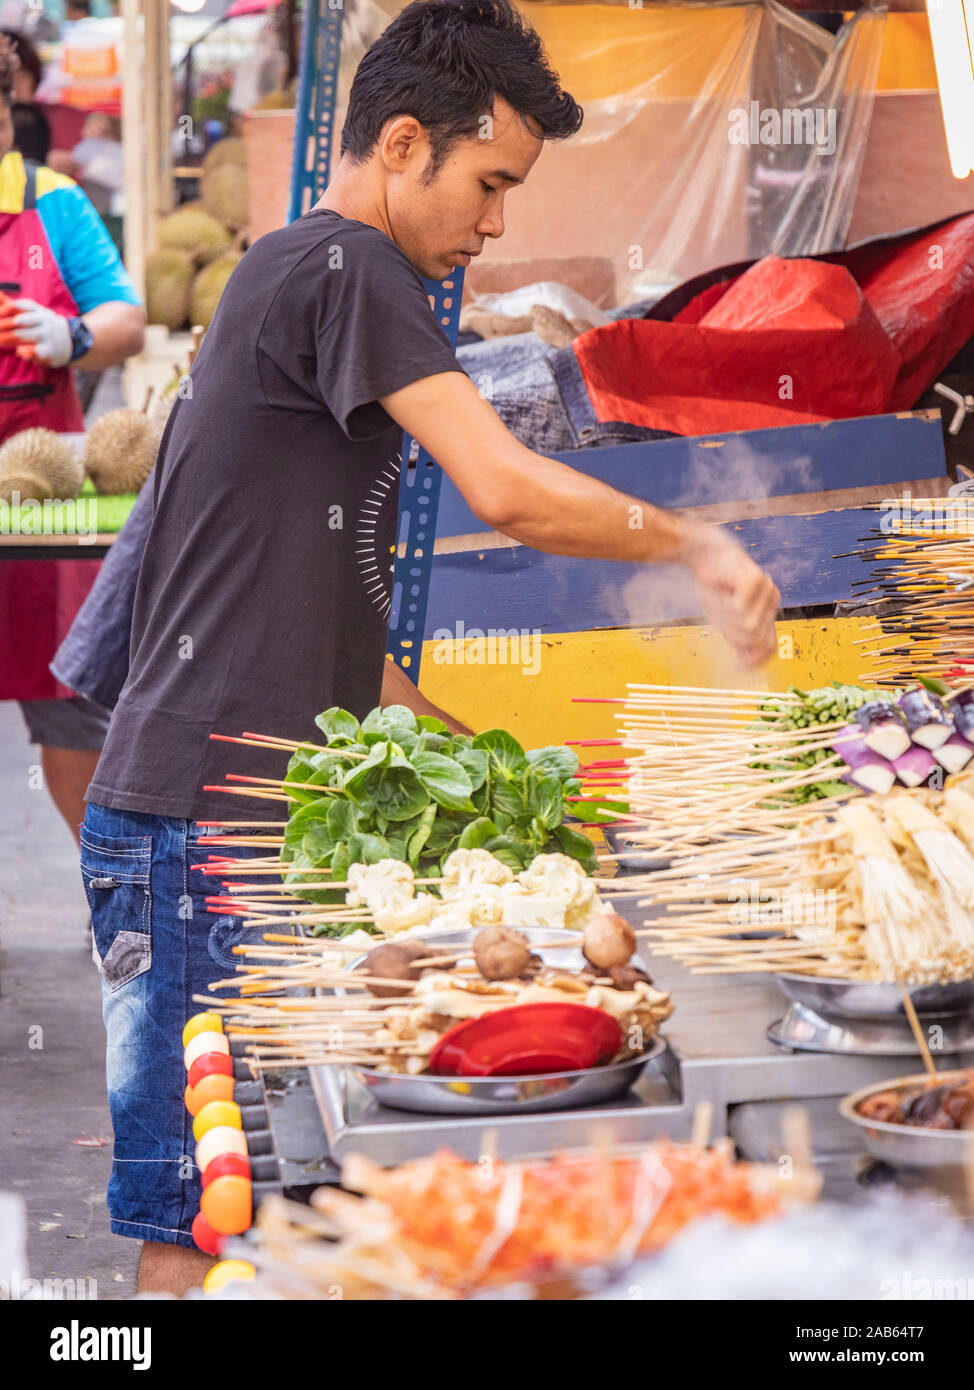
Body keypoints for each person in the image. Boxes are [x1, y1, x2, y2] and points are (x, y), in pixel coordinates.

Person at [81, 0, 779, 1295]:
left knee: (271, 1204)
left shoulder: (303, 278)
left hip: (225, 823)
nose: (498, 221)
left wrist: (522, 796)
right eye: (491, 181)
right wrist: (691, 541)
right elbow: (506, 486)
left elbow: (345, 653)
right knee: (201, 1213)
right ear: (402, 143)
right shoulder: (348, 269)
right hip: (196, 832)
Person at [0, 36, 145, 848]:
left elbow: (126, 320)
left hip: (43, 509)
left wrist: (70, 335)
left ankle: (112, 896)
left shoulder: (53, 202)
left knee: (74, 710)